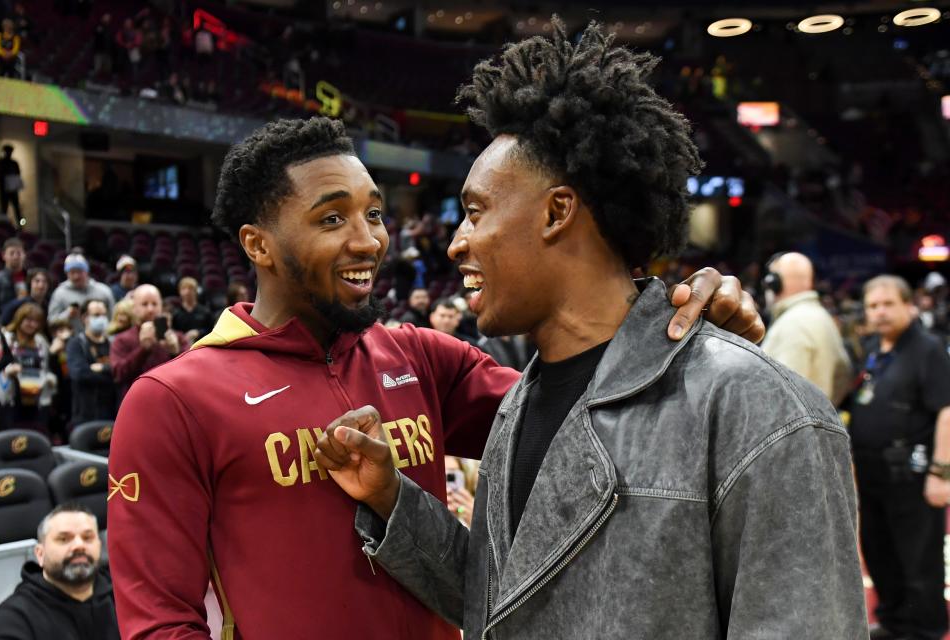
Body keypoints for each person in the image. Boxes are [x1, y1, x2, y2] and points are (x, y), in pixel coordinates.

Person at [314, 19, 866, 640]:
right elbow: (507, 603)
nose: (456, 244)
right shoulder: (518, 403)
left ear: (557, 211)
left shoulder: (758, 407)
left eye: (474, 212)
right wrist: (394, 501)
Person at [107, 117, 761, 640]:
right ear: (259, 245)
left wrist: (673, 329)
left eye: (374, 213)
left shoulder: (421, 357)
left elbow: (600, 419)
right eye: (332, 219)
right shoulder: (173, 400)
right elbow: (158, 623)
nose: (368, 240)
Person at [849, 275, 950, 640]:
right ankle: (893, 622)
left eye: (888, 304)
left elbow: (947, 411)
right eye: (873, 305)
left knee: (918, 560)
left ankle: (924, 629)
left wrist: (941, 473)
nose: (880, 312)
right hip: (876, 476)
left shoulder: (928, 349)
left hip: (914, 475)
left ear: (909, 304)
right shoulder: (875, 348)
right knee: (881, 554)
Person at [0, 504, 120, 640]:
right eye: (64, 539)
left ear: (100, 546)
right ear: (40, 554)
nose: (79, 545)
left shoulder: (121, 597)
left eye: (87, 538)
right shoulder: (13, 618)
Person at [760, 252, 852, 405]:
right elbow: (843, 375)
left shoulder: (793, 323)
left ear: (774, 283)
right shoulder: (820, 316)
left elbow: (782, 397)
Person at [109, 284, 187, 397]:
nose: (150, 309)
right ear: (134, 309)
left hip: (168, 403)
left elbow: (189, 376)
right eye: (144, 304)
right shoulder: (122, 340)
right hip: (135, 404)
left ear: (161, 307)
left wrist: (175, 353)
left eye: (154, 304)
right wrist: (143, 350)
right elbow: (118, 375)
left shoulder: (178, 338)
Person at [0, 302, 56, 434]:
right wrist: (7, 371)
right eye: (28, 320)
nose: (32, 324)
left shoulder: (41, 341)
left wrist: (49, 379)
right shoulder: (5, 338)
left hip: (36, 398)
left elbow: (46, 368)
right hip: (10, 398)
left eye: (36, 321)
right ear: (19, 318)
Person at [66, 299, 116, 426]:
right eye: (96, 315)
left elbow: (119, 372)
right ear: (84, 318)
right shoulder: (76, 343)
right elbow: (79, 373)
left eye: (104, 315)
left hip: (111, 412)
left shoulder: (113, 343)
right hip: (84, 414)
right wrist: (109, 372)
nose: (101, 319)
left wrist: (102, 368)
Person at [47, 254, 115, 335]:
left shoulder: (103, 291)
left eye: (79, 271)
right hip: (71, 341)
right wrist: (67, 314)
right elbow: (51, 322)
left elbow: (113, 319)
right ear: (67, 274)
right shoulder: (59, 293)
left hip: (101, 339)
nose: (76, 276)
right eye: (72, 272)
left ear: (86, 271)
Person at [0, 237, 27, 314]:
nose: (16, 257)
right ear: (3, 256)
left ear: (24, 255)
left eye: (19, 253)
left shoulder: (31, 278)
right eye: (12, 253)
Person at [170, 276, 212, 343]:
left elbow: (211, 330)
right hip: (182, 347)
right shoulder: (175, 313)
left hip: (202, 345)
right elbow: (173, 332)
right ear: (179, 291)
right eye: (184, 288)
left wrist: (198, 332)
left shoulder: (205, 312)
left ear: (196, 291)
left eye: (190, 288)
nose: (187, 292)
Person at [0, 144, 22, 227]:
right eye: (7, 152)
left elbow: (18, 174)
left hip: (12, 190)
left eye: (10, 152)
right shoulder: (0, 162)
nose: (9, 153)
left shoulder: (14, 163)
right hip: (4, 190)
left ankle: (20, 226)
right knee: (4, 210)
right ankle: (3, 227)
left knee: (17, 209)